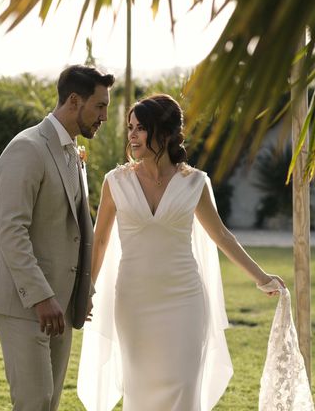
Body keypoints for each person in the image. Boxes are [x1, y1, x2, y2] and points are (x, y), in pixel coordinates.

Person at [77, 94, 285, 411]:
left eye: (141, 128)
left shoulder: (194, 183)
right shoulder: (114, 182)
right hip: (134, 304)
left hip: (184, 302)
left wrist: (261, 277)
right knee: (141, 392)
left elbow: (221, 235)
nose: (131, 135)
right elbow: (100, 240)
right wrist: (87, 288)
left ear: (165, 132)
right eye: (130, 127)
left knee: (185, 388)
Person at [0, 65, 115, 411]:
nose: (104, 116)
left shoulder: (73, 153)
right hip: (23, 301)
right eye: (99, 106)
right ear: (74, 101)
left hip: (61, 304)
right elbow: (11, 231)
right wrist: (41, 297)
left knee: (49, 402)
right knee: (34, 401)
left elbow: (79, 229)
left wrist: (84, 293)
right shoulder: (26, 148)